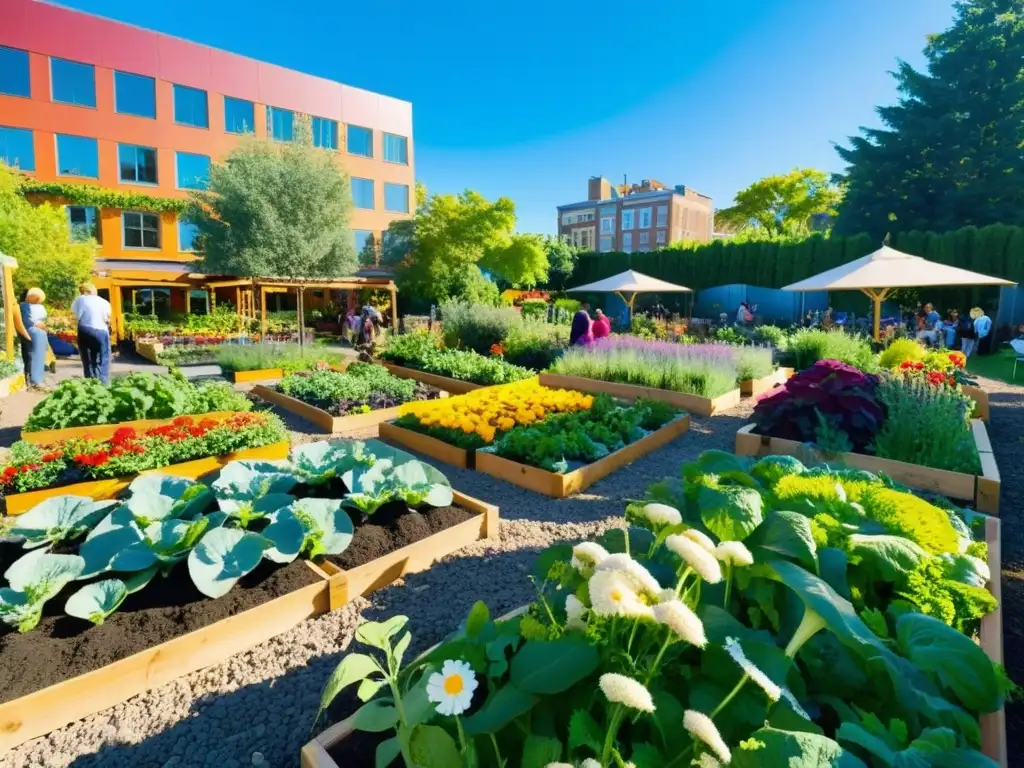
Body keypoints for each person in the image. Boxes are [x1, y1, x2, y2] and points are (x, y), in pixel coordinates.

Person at [71, 282, 112, 384]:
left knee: (88, 358)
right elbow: (107, 318)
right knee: (103, 358)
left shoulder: (80, 299)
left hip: (85, 329)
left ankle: (90, 382)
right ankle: (103, 383)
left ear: (84, 291)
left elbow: (75, 315)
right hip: (102, 331)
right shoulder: (104, 302)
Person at [19, 288, 49, 389]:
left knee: (35, 355)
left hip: (35, 331)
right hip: (34, 331)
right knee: (37, 355)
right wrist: (41, 326)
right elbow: (30, 321)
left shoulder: (25, 306)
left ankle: (35, 378)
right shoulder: (25, 306)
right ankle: (36, 380)